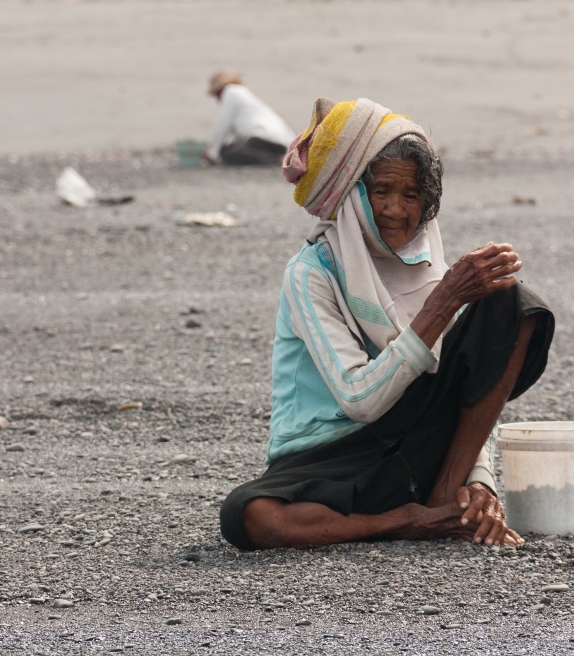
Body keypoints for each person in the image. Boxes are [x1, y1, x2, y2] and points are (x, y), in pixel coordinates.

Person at [219, 98, 555, 550]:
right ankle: (409, 520)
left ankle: (446, 496)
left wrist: (479, 483)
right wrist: (445, 302)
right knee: (252, 516)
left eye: (412, 195)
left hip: (415, 447)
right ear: (353, 195)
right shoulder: (311, 272)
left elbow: (471, 388)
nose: (397, 210)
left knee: (511, 300)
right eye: (381, 192)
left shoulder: (426, 268)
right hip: (332, 456)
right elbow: (359, 399)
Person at [204, 70, 296, 167]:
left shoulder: (231, 91)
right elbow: (234, 135)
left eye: (216, 94)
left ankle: (277, 161)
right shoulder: (244, 95)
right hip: (279, 143)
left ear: (219, 90)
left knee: (229, 153)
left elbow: (222, 124)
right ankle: (280, 159)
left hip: (263, 139)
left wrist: (212, 152)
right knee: (233, 149)